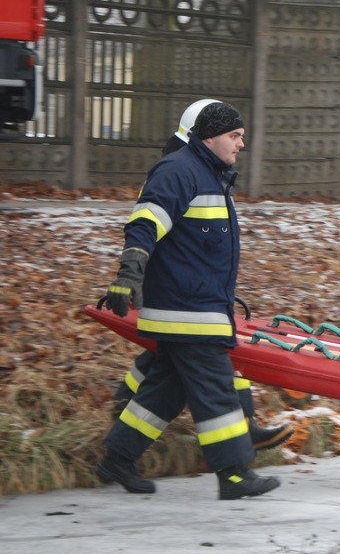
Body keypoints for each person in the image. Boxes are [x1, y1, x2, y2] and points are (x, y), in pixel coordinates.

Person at [95, 102, 281, 500]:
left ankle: (117, 459)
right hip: (187, 310)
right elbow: (145, 224)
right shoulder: (179, 171)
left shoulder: (209, 175)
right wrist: (129, 274)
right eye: (234, 136)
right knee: (216, 389)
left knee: (166, 391)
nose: (241, 144)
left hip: (195, 305)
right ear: (209, 137)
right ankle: (234, 474)